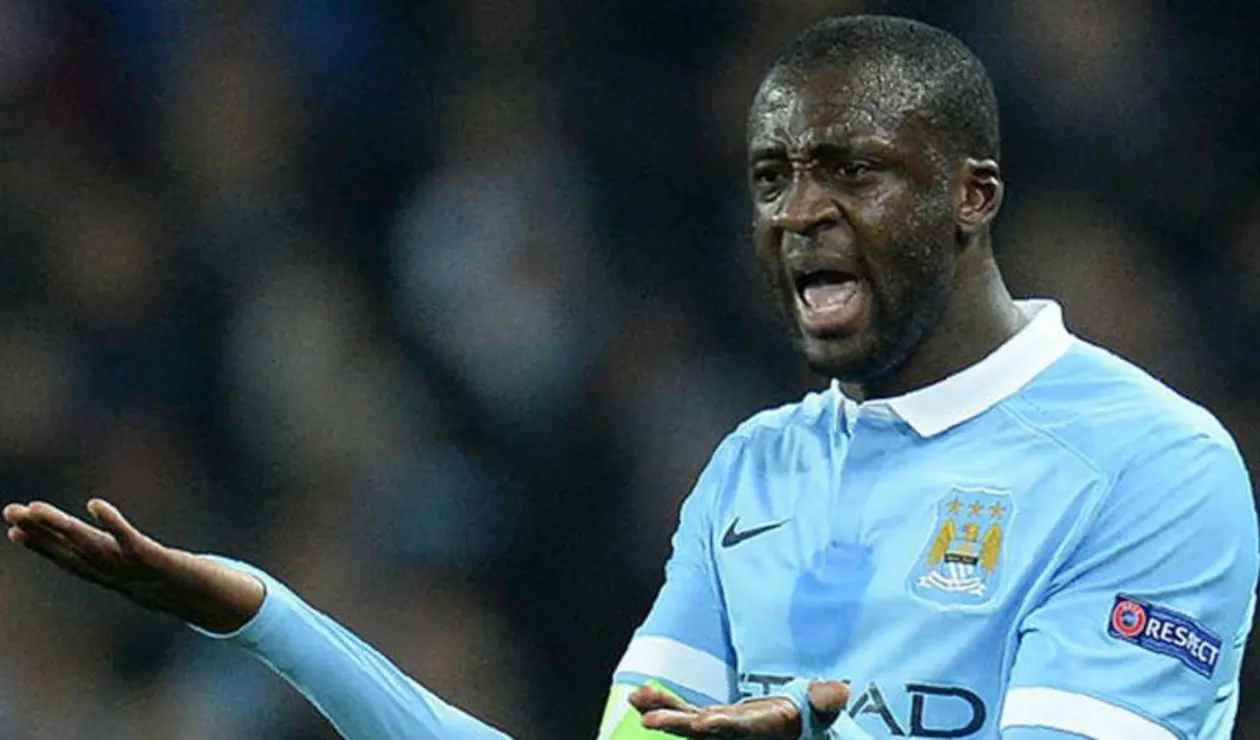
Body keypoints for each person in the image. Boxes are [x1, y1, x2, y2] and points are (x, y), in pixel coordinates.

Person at [5, 14, 1257, 740]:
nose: (801, 215)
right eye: (772, 180)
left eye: (851, 171)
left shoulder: (1154, 465)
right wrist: (265, 616)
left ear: (972, 195)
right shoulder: (754, 470)